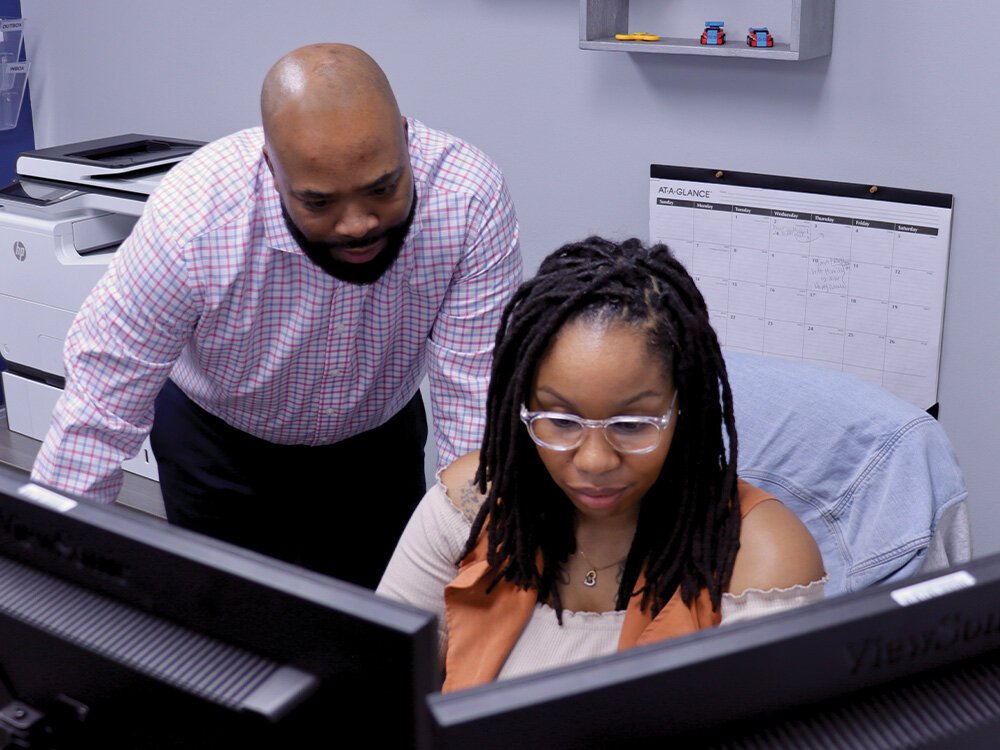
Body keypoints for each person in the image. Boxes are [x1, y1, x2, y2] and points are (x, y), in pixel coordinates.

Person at [31, 43, 521, 588]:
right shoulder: (193, 220)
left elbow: (474, 406)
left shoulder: (467, 202)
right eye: (319, 202)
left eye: (382, 189)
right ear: (272, 169)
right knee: (230, 634)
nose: (357, 224)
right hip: (216, 445)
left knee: (380, 640)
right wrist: (48, 581)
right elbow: (96, 415)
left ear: (407, 140)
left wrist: (481, 583)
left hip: (374, 445)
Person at [377, 236, 825, 690]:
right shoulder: (470, 507)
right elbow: (372, 684)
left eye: (631, 425)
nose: (593, 461)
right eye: (560, 421)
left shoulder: (761, 556)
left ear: (682, 411)